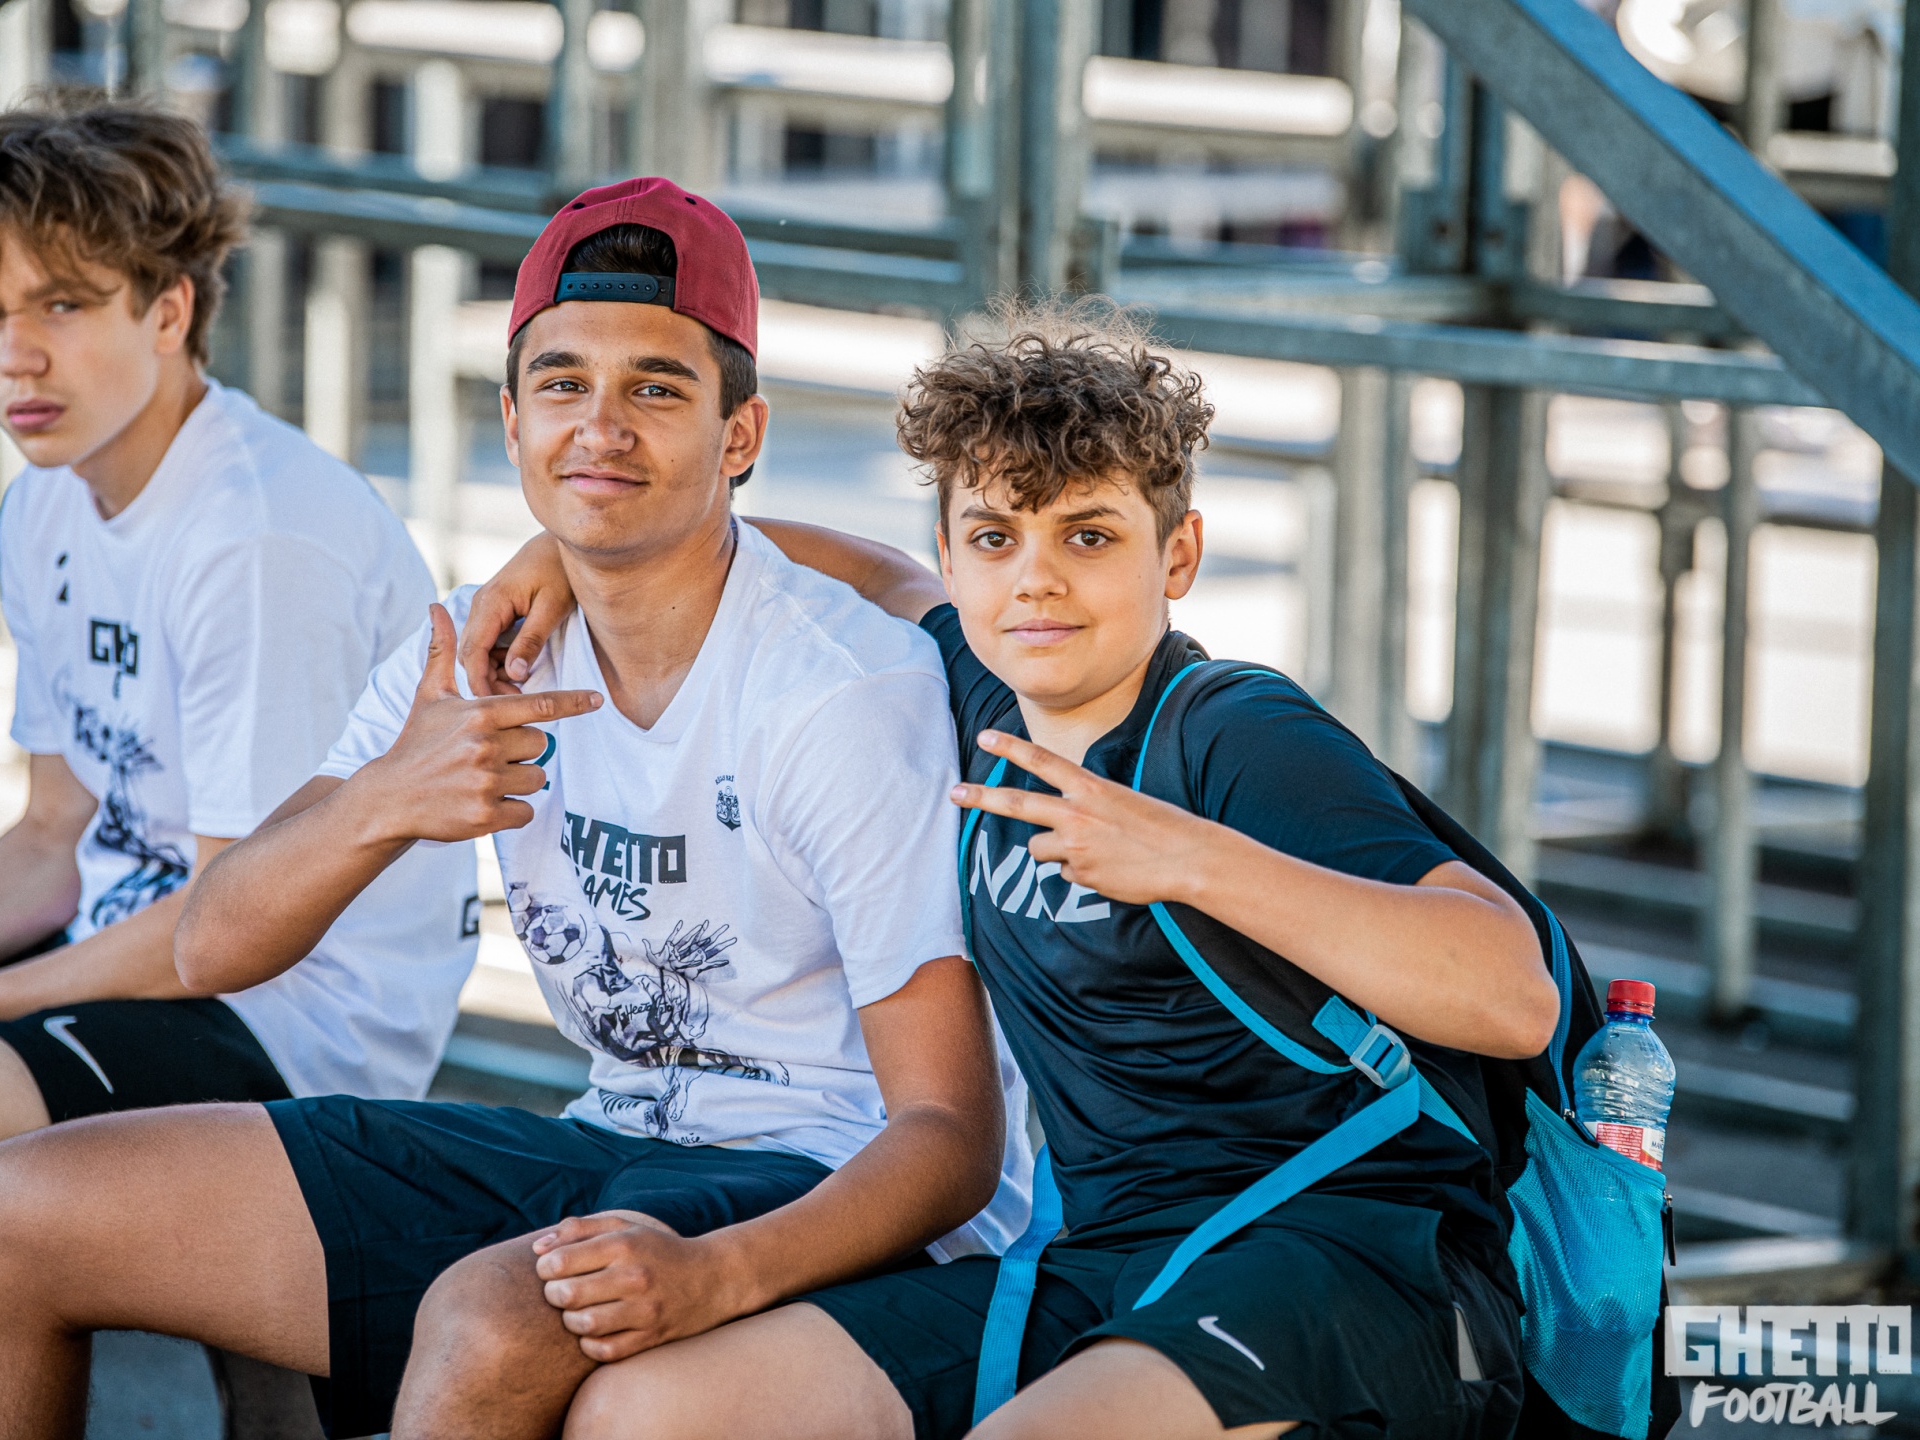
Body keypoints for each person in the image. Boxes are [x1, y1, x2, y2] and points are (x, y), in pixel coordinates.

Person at [0, 177, 1032, 1440]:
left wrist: (719, 1276)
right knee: (5, 1209)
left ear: (740, 434)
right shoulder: (474, 646)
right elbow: (212, 944)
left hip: (826, 1180)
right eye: (562, 384)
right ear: (511, 419)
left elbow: (949, 1140)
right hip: (611, 1141)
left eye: (656, 389)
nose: (600, 427)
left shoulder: (834, 691)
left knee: (492, 1315)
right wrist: (385, 801)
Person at [455, 304, 1561, 1440]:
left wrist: (1191, 858)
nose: (1036, 581)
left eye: (1089, 537)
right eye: (994, 539)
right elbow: (863, 569)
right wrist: (571, 546)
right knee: (650, 1408)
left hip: (1350, 1258)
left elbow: (1509, 990)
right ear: (953, 555)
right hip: (1110, 1258)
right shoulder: (984, 694)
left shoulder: (1235, 731)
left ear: (1177, 554)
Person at [0, 97, 479, 1440]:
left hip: (292, 1018)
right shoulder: (47, 491)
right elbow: (56, 832)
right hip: (147, 960)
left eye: (65, 303)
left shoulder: (256, 536)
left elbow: (224, 932)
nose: (16, 355)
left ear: (171, 308)